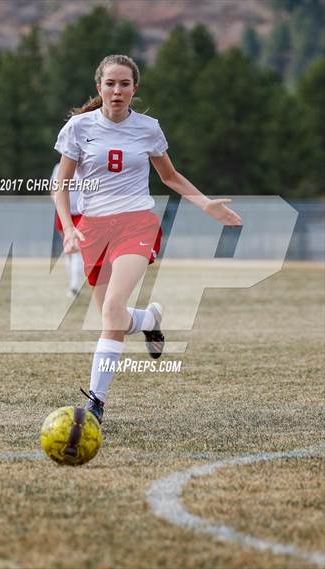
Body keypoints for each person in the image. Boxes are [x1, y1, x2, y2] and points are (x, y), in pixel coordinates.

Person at [54, 54, 241, 424]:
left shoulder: (148, 128)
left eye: (125, 84)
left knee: (110, 312)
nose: (117, 90)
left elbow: (170, 176)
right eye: (110, 84)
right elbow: (61, 183)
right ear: (99, 87)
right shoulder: (78, 127)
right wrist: (69, 227)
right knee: (115, 318)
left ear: (134, 88)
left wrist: (205, 205)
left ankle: (96, 403)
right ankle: (150, 319)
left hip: (137, 224)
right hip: (93, 228)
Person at [51, 162, 84, 297]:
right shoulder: (59, 167)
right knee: (68, 251)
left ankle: (74, 286)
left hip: (81, 214)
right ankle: (73, 282)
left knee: (77, 250)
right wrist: (60, 206)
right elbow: (54, 190)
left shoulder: (86, 166)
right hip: (65, 214)